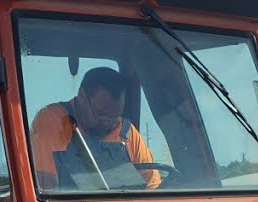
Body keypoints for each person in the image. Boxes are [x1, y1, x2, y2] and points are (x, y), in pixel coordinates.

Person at [30, 66, 161, 191]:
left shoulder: (126, 132)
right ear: (81, 96)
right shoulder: (53, 122)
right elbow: (46, 190)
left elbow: (152, 186)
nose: (108, 124)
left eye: (115, 117)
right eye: (101, 115)